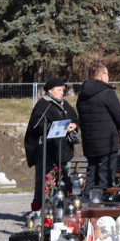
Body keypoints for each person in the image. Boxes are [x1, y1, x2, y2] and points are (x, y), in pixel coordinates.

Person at [23, 78, 78, 211]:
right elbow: (35, 126)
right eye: (59, 90)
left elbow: (75, 118)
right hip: (47, 153)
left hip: (63, 152)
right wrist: (55, 127)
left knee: (67, 184)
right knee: (44, 185)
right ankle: (41, 214)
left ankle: (65, 211)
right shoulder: (43, 105)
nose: (62, 93)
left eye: (63, 90)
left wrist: (74, 125)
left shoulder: (64, 104)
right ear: (50, 90)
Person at [77, 63, 120, 197]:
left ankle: (87, 207)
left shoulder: (82, 95)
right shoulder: (106, 93)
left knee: (91, 176)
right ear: (102, 75)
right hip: (107, 143)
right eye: (107, 73)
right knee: (105, 180)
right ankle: (103, 210)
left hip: (90, 143)